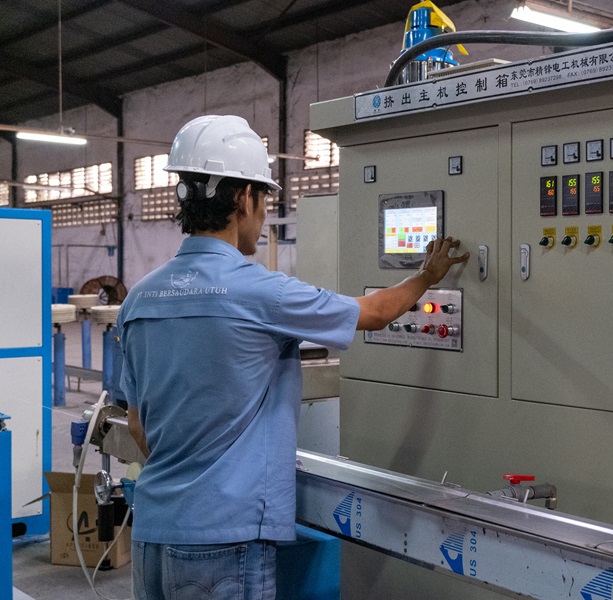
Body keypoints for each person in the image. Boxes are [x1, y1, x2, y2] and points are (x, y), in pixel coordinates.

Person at [119, 114, 468, 600]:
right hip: (226, 538)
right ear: (244, 198)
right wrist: (427, 276)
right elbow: (374, 313)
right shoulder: (262, 292)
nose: (264, 217)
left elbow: (137, 424)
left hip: (153, 534)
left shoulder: (139, 298)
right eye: (264, 201)